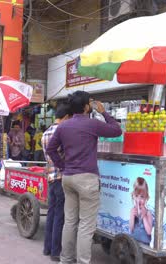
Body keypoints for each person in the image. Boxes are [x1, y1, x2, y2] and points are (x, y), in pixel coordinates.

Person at [46, 91, 122, 264]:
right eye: (91, 102)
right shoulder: (92, 124)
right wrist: (103, 112)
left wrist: (62, 166)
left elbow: (51, 149)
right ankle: (82, 261)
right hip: (87, 178)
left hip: (68, 178)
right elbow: (117, 130)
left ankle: (66, 259)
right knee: (86, 226)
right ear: (86, 106)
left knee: (70, 221)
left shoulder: (63, 126)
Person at [42, 102, 72, 262]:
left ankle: (47, 248)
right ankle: (56, 251)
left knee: (52, 213)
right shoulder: (63, 132)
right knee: (60, 215)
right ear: (66, 117)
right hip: (61, 177)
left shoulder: (45, 133)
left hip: (51, 177)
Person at [129, 177, 153, 245]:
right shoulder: (133, 211)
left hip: (145, 244)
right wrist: (132, 216)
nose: (138, 200)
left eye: (142, 197)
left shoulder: (148, 213)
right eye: (136, 196)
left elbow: (149, 232)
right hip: (134, 243)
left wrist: (144, 216)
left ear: (146, 198)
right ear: (133, 196)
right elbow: (131, 229)